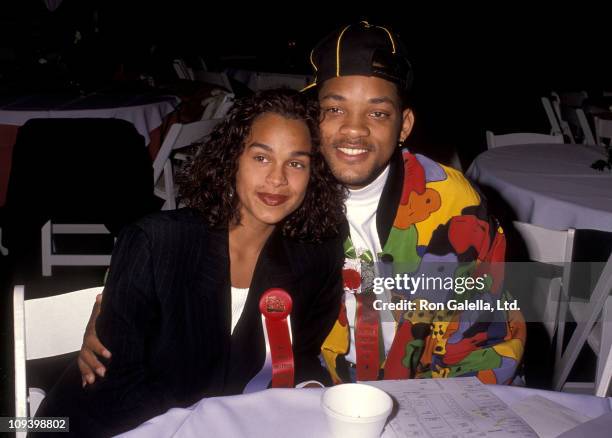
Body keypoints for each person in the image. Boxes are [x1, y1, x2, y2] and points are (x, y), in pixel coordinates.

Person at [79, 21, 525, 389]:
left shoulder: (451, 204)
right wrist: (108, 303)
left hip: (429, 395)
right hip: (310, 397)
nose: (355, 130)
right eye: (335, 109)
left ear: (404, 124)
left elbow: (488, 329)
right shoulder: (290, 191)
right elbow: (192, 240)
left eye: (378, 113)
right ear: (315, 117)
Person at [33, 89, 346, 437]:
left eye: (296, 163)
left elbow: (300, 356)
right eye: (261, 157)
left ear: (312, 175)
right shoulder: (156, 243)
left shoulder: (313, 257)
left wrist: (312, 396)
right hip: (109, 424)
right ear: (232, 160)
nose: (277, 178)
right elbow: (117, 379)